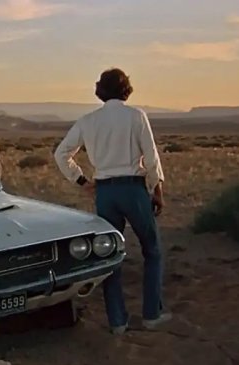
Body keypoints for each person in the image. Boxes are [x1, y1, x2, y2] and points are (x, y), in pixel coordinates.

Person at [52, 67, 171, 335]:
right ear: (126, 88)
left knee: (109, 255)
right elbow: (151, 157)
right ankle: (152, 314)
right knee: (152, 250)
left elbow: (61, 154)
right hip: (133, 189)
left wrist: (82, 181)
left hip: (105, 192)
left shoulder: (88, 121)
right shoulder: (136, 116)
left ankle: (117, 321)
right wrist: (157, 189)